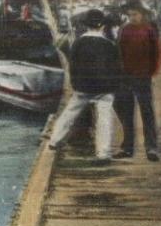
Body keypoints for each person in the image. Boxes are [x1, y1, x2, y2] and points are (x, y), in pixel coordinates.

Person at [48, 9, 122, 163]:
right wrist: (113, 86)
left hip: (83, 87)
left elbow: (72, 67)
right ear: (102, 26)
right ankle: (103, 153)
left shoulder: (78, 43)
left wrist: (76, 84)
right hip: (105, 88)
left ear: (86, 25)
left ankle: (54, 141)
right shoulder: (110, 45)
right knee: (104, 119)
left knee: (69, 113)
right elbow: (116, 68)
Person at [114, 1, 161, 162]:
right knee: (126, 112)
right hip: (125, 76)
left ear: (141, 14)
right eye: (129, 15)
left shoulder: (149, 30)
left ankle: (151, 148)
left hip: (143, 76)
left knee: (147, 112)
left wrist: (152, 71)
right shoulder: (124, 30)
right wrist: (120, 72)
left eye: (135, 14)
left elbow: (157, 52)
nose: (132, 18)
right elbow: (118, 51)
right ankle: (127, 148)